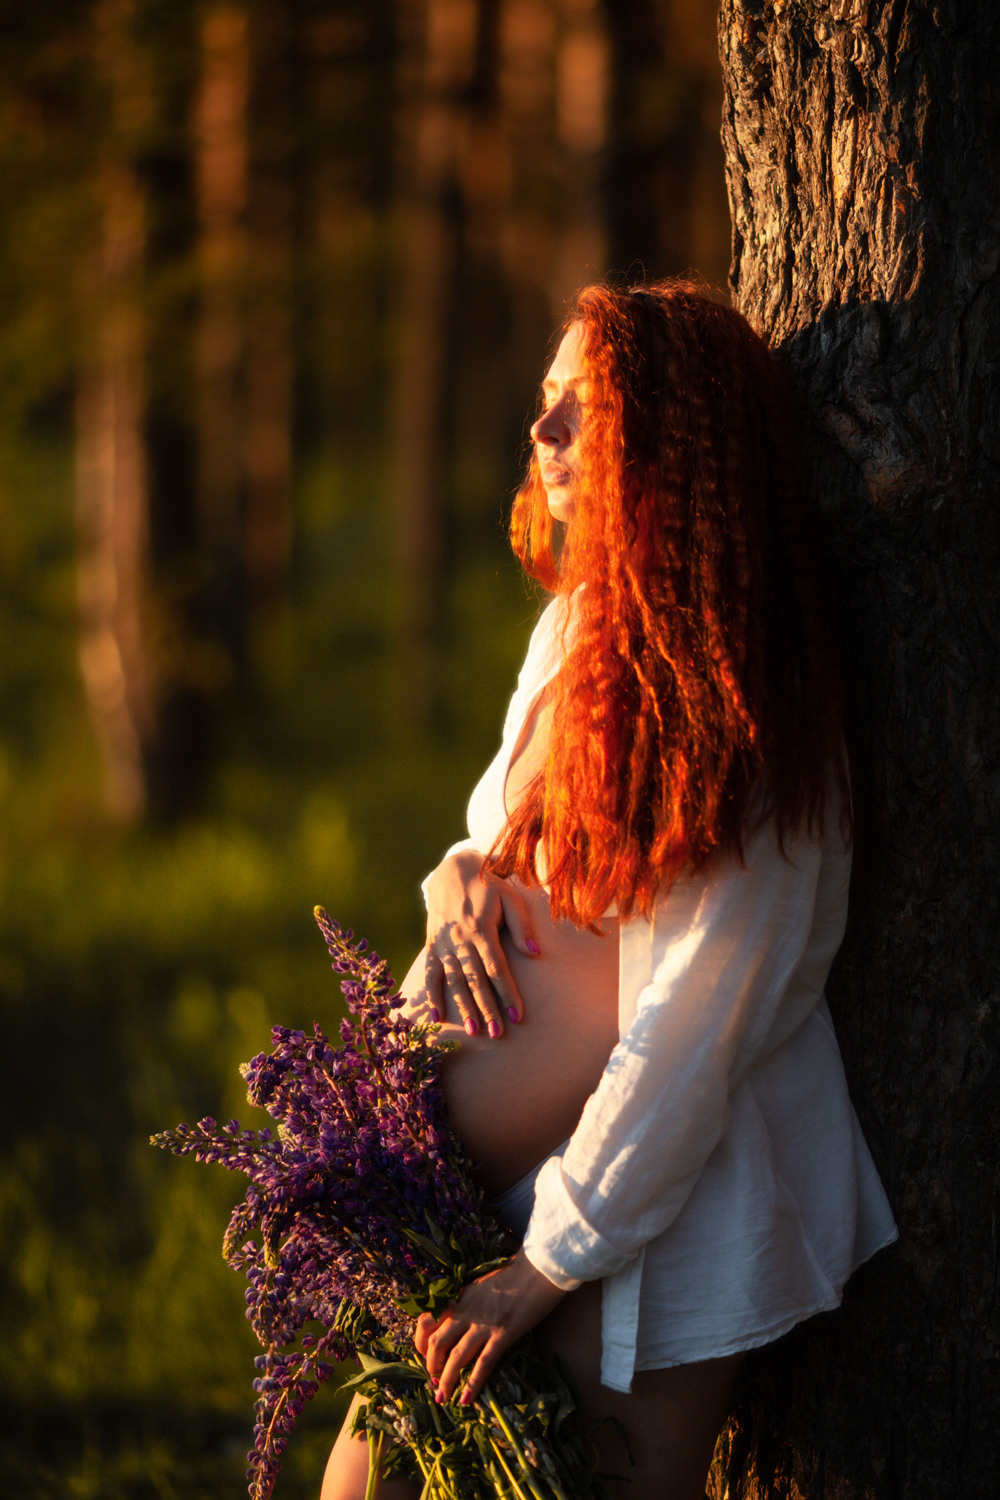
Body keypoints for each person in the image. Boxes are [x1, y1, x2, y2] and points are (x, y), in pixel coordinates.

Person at [321, 280, 898, 1500]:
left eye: (586, 406)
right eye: (546, 400)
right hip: (462, 1204)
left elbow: (702, 1015)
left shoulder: (746, 702)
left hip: (644, 1200)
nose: (543, 431)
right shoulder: (573, 631)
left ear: (676, 440)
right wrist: (454, 880)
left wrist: (545, 1263)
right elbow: (506, 840)